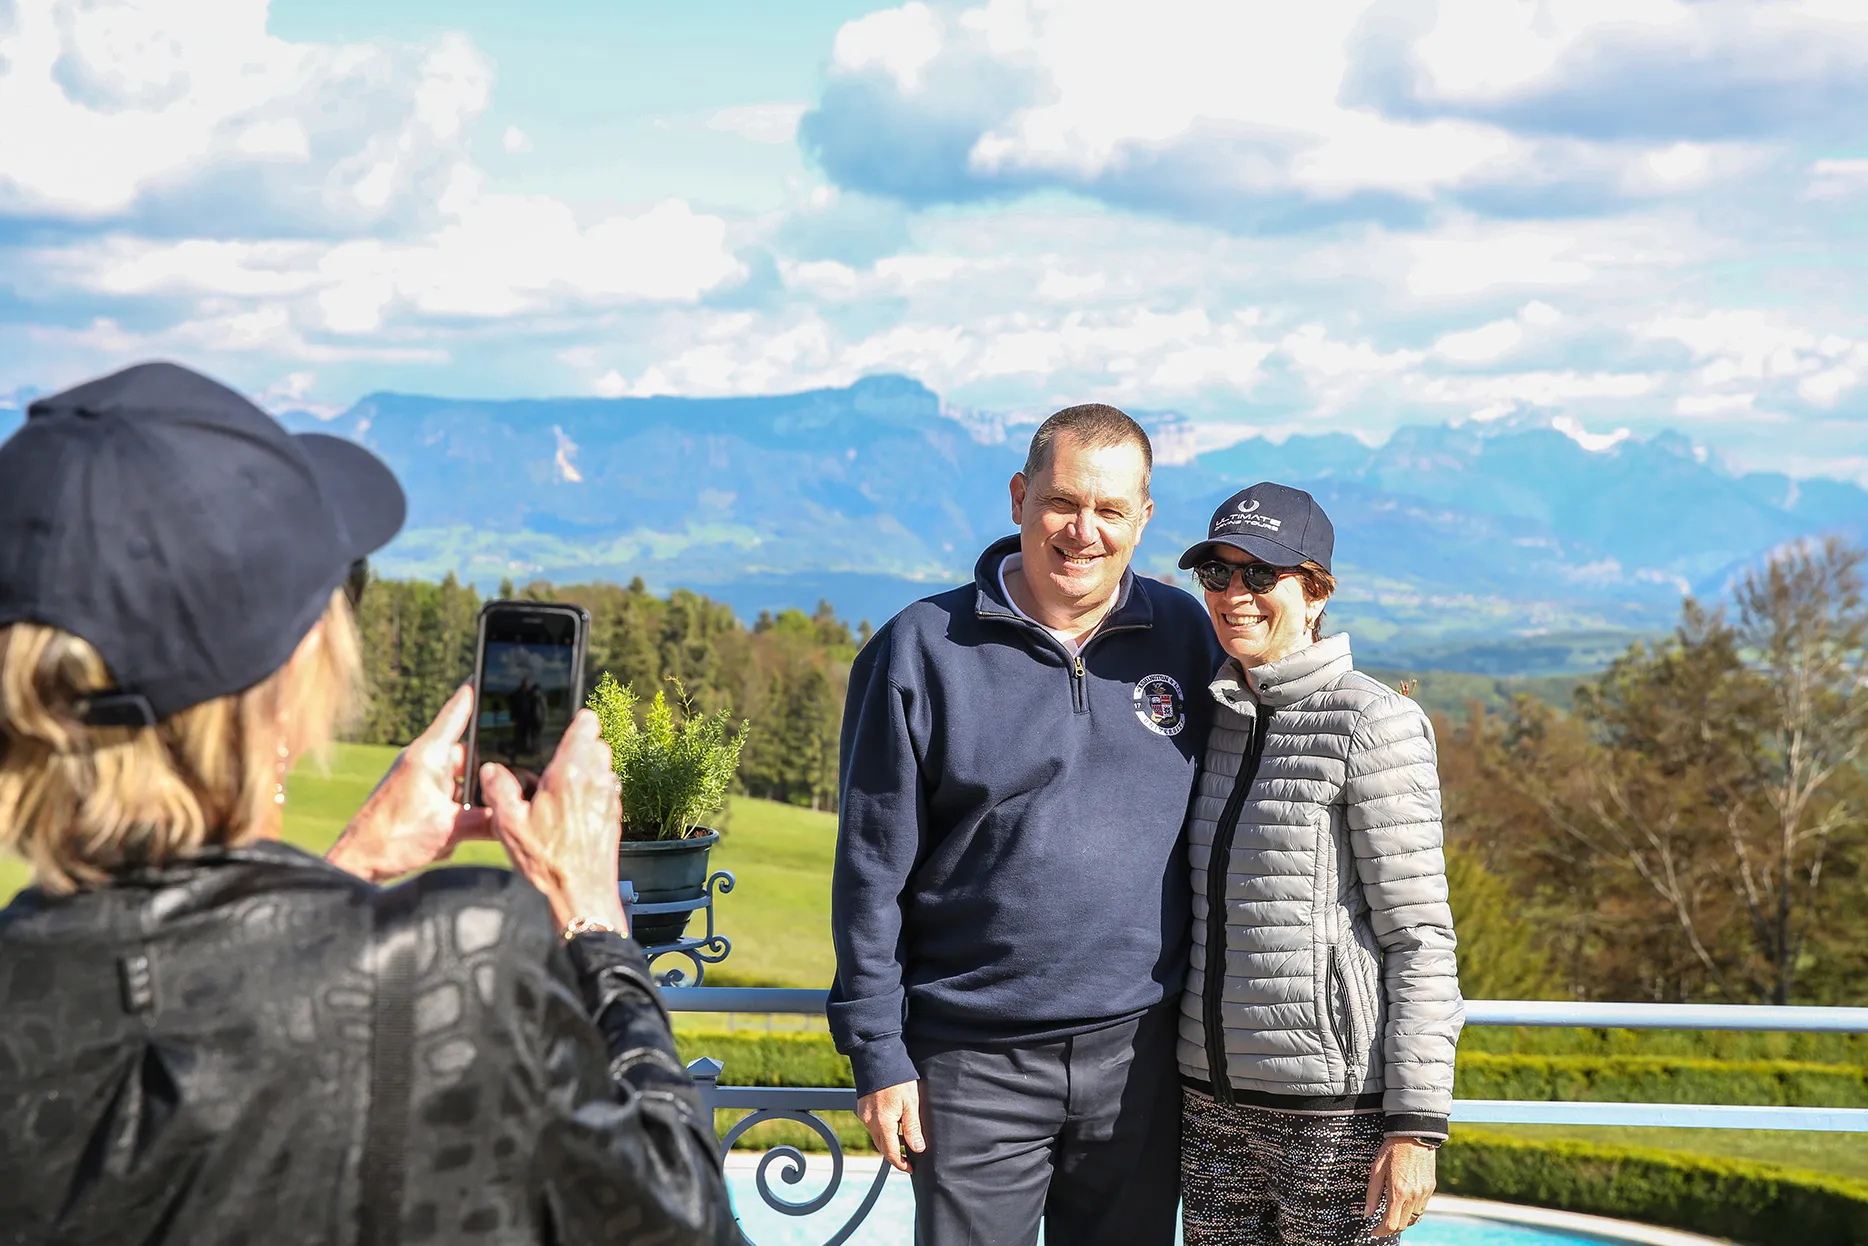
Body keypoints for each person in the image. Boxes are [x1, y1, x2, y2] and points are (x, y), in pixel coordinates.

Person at [0, 361, 735, 1246]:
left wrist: (344, 868)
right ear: (278, 684)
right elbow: (681, 1223)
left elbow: (186, 990)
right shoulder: (460, 963)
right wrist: (589, 914)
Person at [828, 404, 1223, 1246]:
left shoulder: (1188, 634)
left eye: (1112, 511)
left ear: (1144, 519)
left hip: (1140, 1060)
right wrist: (876, 1050)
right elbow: (870, 872)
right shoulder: (918, 650)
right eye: (1064, 503)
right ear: (1019, 497)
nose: (1085, 531)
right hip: (971, 1064)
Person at [1172, 482, 1464, 1245]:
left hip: (1336, 1118)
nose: (1237, 594)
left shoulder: (1375, 723)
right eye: (1218, 574)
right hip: (1210, 1109)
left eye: (1261, 575)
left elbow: (1420, 938)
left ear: (1317, 592)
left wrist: (1416, 1127)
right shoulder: (1208, 720)